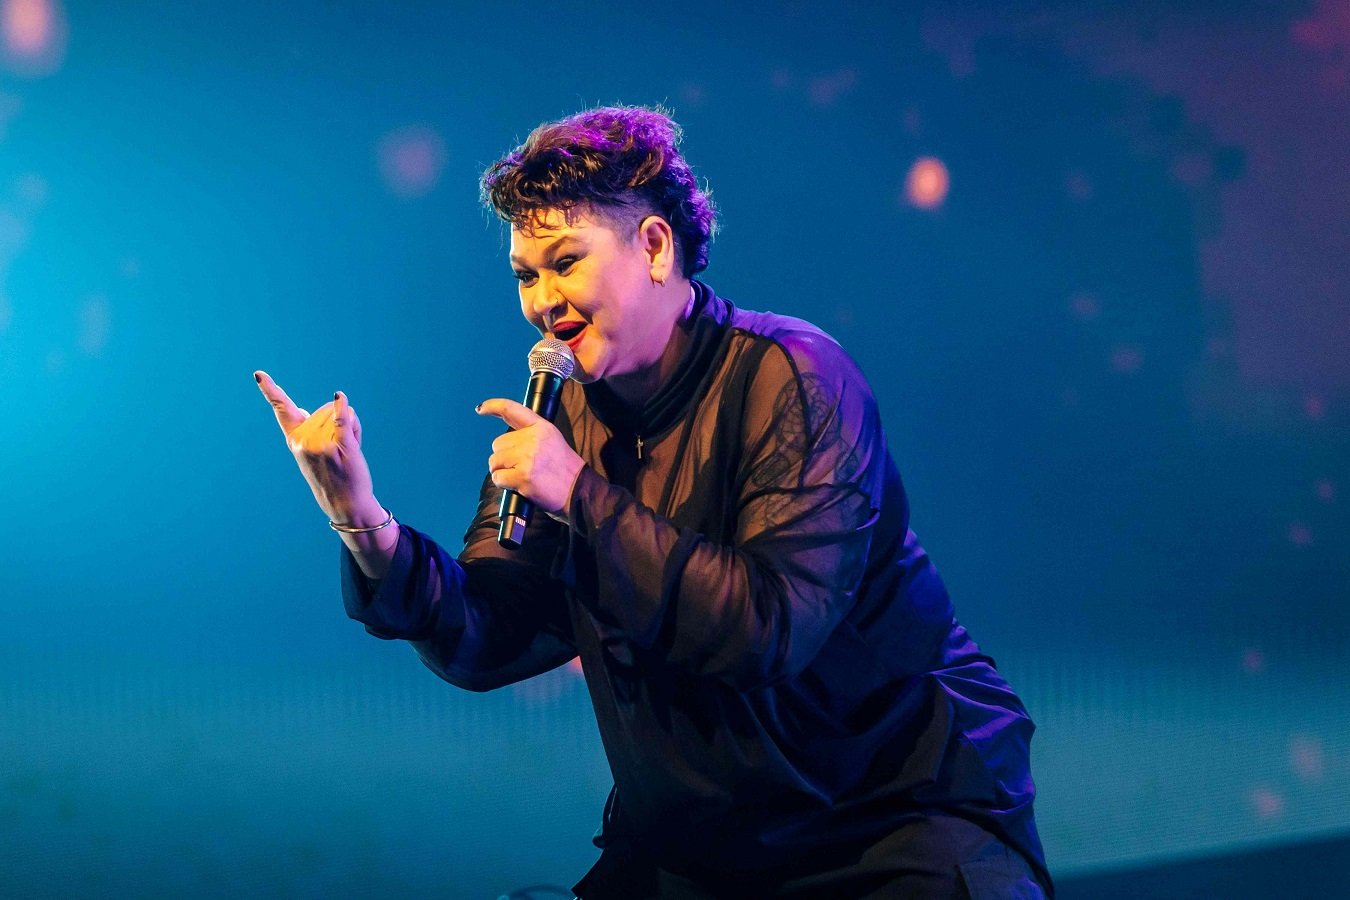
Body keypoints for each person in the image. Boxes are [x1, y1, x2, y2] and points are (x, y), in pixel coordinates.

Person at [255, 106, 1053, 899]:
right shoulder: (561, 416)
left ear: (655, 246)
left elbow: (768, 630)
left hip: (886, 828)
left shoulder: (793, 378)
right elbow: (491, 637)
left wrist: (579, 496)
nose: (542, 300)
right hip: (707, 841)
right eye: (526, 275)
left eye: (566, 262)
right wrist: (362, 521)